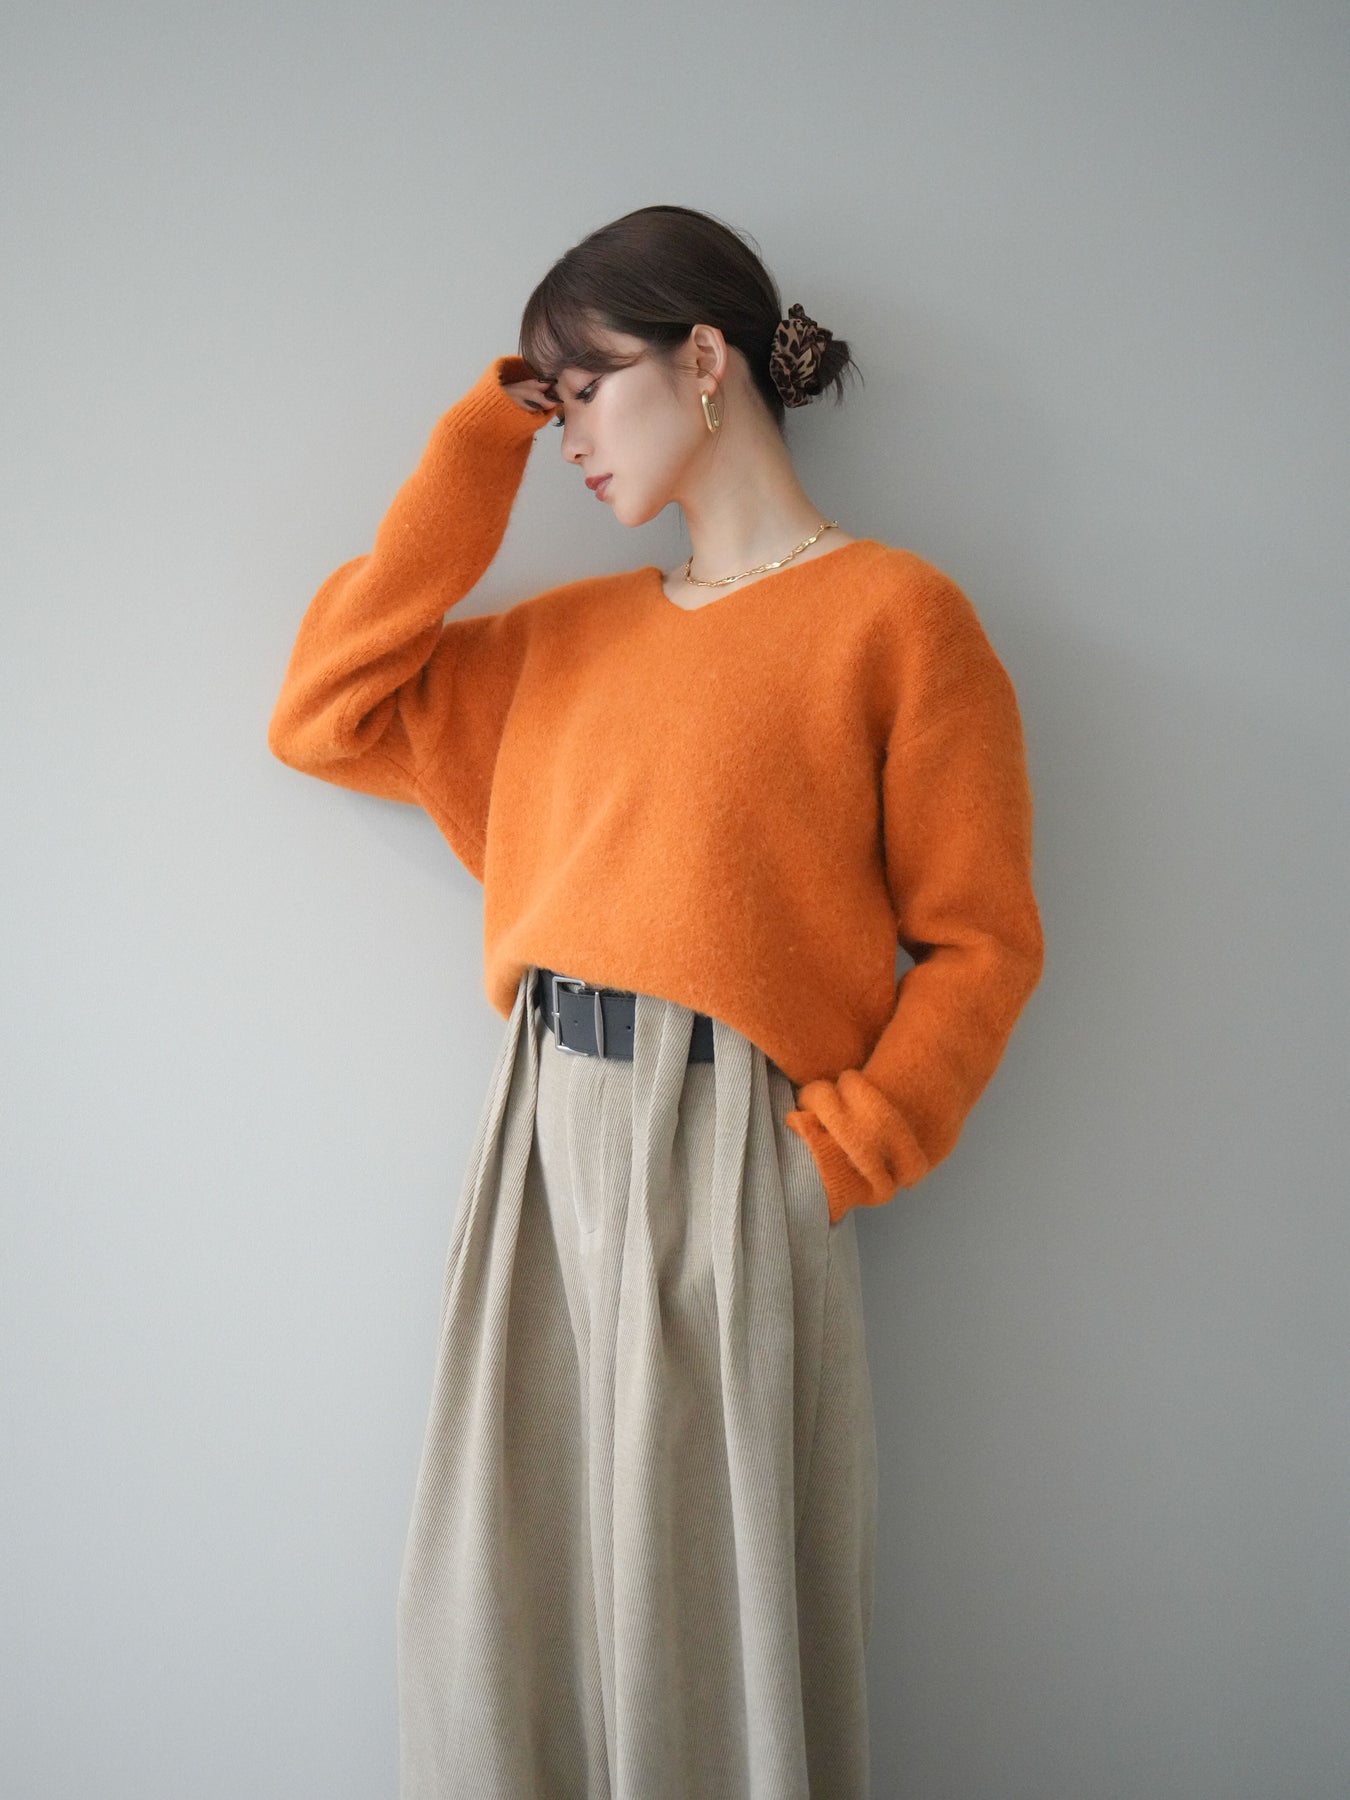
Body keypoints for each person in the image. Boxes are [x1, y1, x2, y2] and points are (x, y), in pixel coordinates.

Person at [267, 203, 1045, 1800]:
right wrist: (483, 432)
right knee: (506, 1589)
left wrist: (844, 1155)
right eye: (546, 405)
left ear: (704, 362)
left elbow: (981, 941)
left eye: (585, 390)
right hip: (539, 1143)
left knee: (704, 1609)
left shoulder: (895, 618)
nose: (567, 438)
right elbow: (324, 709)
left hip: (734, 1153)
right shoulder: (566, 641)